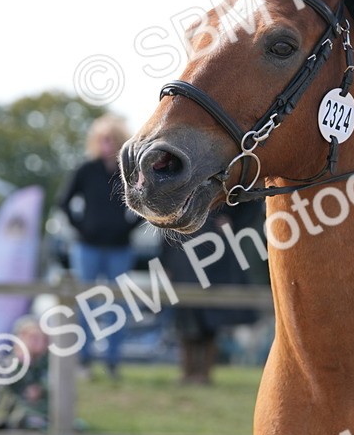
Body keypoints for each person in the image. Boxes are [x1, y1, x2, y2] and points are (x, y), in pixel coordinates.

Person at [57, 113, 142, 380]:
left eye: (113, 139)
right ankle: (83, 361)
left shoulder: (129, 171)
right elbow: (63, 202)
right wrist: (81, 227)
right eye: (104, 139)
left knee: (118, 305)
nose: (108, 144)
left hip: (120, 248)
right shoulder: (85, 170)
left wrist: (128, 227)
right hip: (87, 248)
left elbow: (146, 200)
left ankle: (113, 362)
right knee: (86, 303)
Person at [160, 201, 262, 385]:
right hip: (182, 253)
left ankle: (204, 373)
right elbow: (165, 219)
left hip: (215, 252)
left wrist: (234, 223)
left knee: (211, 319)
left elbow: (251, 204)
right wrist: (165, 261)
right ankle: (187, 372)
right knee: (185, 317)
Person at [0, 314, 50, 430]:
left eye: (44, 339)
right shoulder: (8, 364)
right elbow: (3, 393)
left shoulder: (45, 365)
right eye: (33, 337)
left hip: (42, 414)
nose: (40, 342)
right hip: (13, 417)